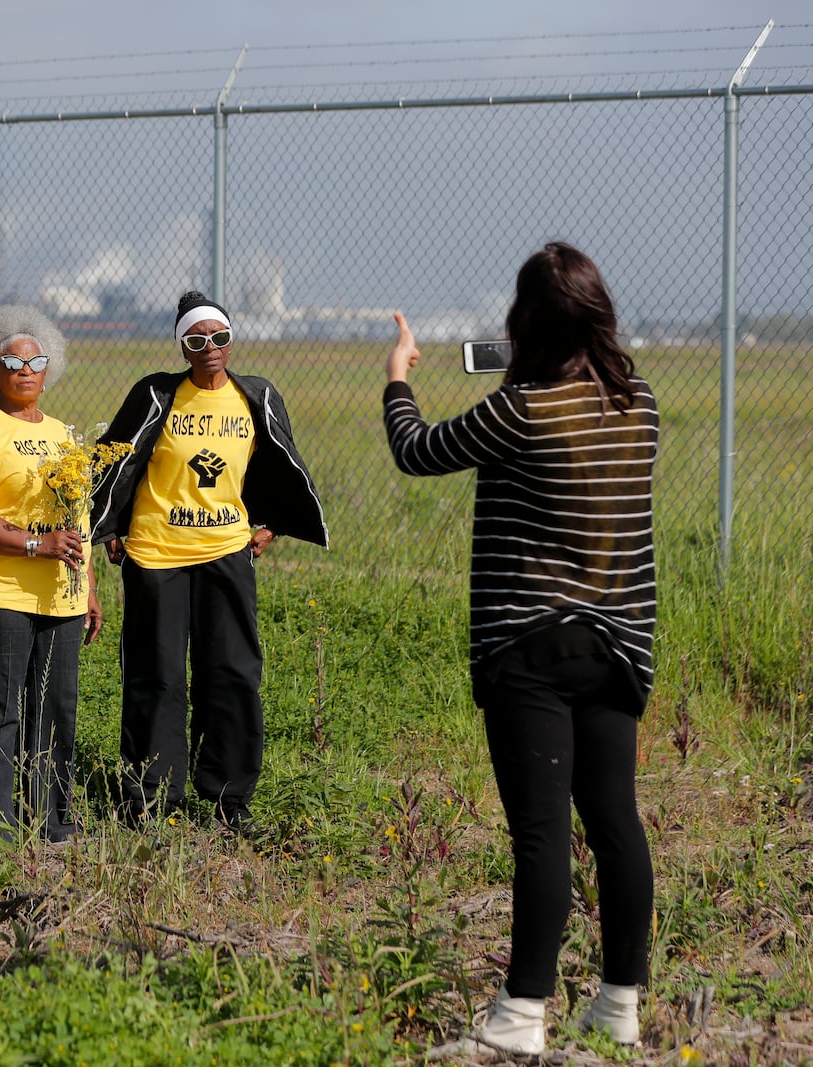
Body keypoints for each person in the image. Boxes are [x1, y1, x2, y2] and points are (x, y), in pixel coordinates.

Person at [384, 243, 657, 1057]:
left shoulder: (521, 409)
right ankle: (618, 1005)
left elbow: (417, 448)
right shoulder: (634, 399)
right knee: (615, 822)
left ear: (526, 321)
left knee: (540, 833)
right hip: (618, 644)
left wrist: (398, 373)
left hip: (531, 645)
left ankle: (520, 1014)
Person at [90, 290, 327, 831]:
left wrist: (270, 523)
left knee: (233, 673)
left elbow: (278, 460)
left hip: (226, 552)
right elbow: (115, 455)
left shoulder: (255, 396)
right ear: (182, 346)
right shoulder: (156, 394)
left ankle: (229, 799)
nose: (209, 348)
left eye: (219, 337)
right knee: (158, 677)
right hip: (156, 555)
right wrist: (112, 526)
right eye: (196, 340)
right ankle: (152, 800)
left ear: (230, 340)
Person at [0, 306, 102, 842]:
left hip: (60, 597)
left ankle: (50, 820)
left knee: (56, 707)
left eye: (36, 361)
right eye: (11, 360)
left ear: (49, 370)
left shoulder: (63, 435)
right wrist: (35, 544)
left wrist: (89, 590)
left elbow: (79, 520)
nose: (25, 369)